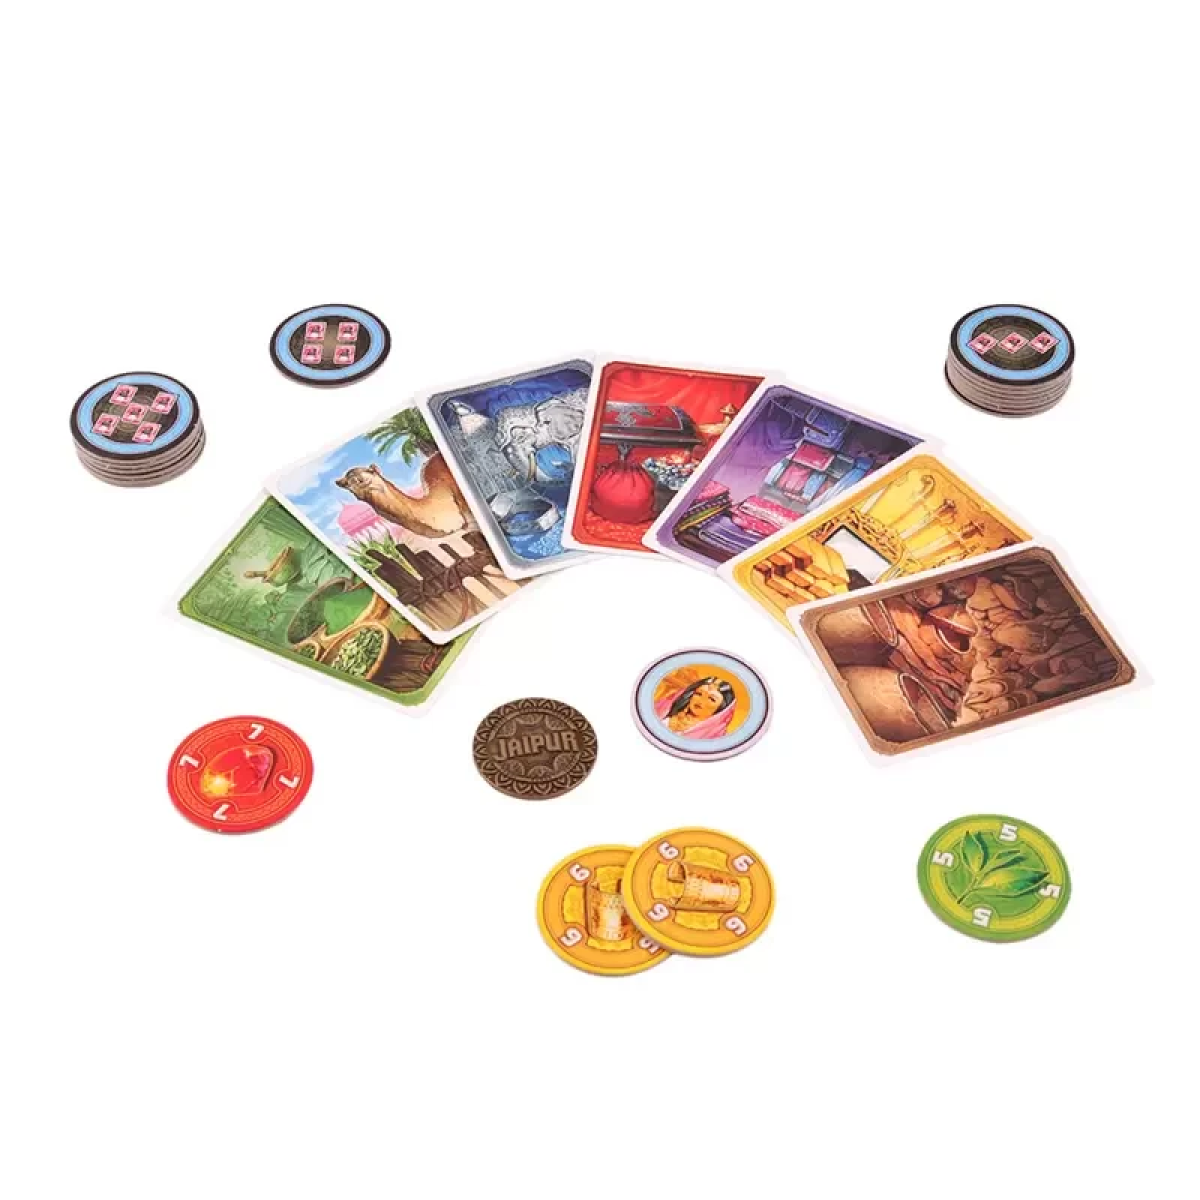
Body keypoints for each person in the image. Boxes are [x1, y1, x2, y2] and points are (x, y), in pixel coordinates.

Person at [655, 676, 737, 739]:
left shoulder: (715, 736)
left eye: (712, 699)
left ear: (721, 708)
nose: (701, 701)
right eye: (699, 694)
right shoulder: (665, 711)